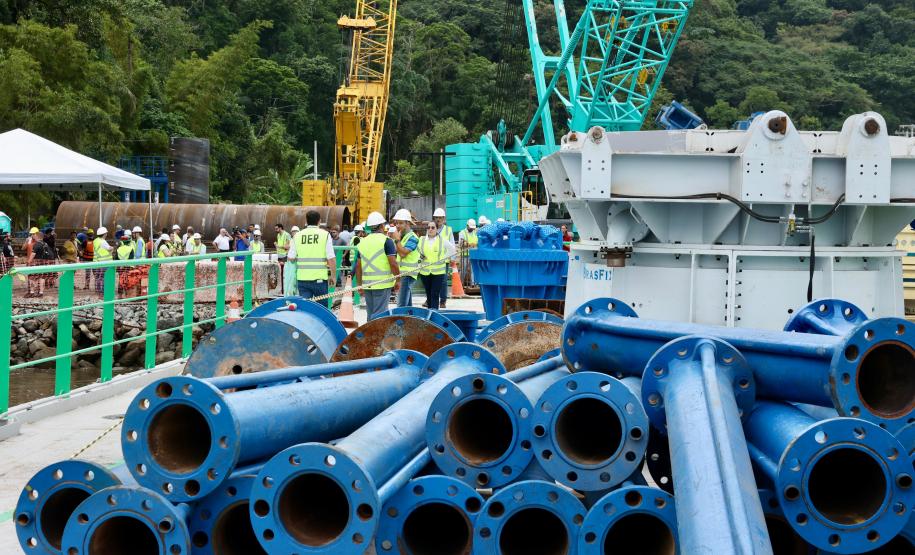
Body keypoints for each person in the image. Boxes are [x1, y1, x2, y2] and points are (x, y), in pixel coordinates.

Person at [357, 212, 398, 319]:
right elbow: (393, 263)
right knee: (380, 316)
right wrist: (398, 280)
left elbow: (358, 266)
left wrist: (359, 284)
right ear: (381, 226)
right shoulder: (386, 241)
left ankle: (368, 335)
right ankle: (376, 335)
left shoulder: (362, 242)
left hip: (367, 284)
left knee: (370, 314)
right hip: (382, 284)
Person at [288, 210, 336, 300]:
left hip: (302, 279)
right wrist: (333, 276)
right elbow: (331, 258)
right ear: (319, 221)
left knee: (305, 310)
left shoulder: (297, 235)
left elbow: (290, 258)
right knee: (321, 311)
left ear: (306, 221)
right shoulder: (325, 235)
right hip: (320, 280)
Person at [417, 221, 452, 310]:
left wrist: (445, 258)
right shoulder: (421, 239)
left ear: (437, 229)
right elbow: (417, 252)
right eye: (428, 228)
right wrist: (420, 257)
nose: (430, 229)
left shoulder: (442, 240)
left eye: (433, 227)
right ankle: (430, 314)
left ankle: (434, 314)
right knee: (428, 294)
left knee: (435, 294)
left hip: (438, 272)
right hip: (425, 272)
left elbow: (452, 249)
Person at [389, 209, 419, 307]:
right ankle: (410, 320)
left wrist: (396, 241)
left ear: (408, 223)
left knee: (401, 306)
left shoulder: (413, 238)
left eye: (401, 223)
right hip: (402, 274)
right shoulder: (402, 236)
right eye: (396, 223)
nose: (398, 225)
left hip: (407, 274)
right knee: (407, 305)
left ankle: (400, 322)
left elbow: (403, 254)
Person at [432, 208, 454, 308]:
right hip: (432, 259)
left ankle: (443, 301)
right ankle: (430, 299)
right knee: (432, 280)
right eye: (437, 218)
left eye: (440, 218)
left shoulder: (448, 230)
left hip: (444, 259)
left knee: (443, 281)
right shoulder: (431, 228)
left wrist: (452, 258)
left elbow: (452, 244)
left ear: (444, 219)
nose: (438, 220)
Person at [28, 229, 55, 297]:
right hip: (44, 263)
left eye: (33, 235)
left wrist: (28, 262)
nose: (32, 236)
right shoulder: (45, 244)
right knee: (42, 278)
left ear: (36, 235)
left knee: (32, 277)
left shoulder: (37, 244)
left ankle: (32, 292)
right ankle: (41, 292)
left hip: (36, 263)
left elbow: (33, 254)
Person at [92, 227, 113, 297]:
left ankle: (98, 291)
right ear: (104, 234)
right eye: (106, 233)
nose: (106, 234)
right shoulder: (103, 241)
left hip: (97, 262)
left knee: (98, 277)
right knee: (103, 278)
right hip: (104, 262)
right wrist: (112, 248)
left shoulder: (95, 240)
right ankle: (102, 293)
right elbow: (109, 249)